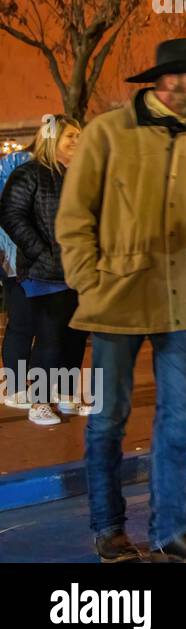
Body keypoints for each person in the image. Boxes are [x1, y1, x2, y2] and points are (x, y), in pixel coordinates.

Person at [56, 37, 186, 562]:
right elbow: (73, 218)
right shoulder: (106, 134)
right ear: (169, 82)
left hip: (185, 304)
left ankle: (171, 531)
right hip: (116, 299)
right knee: (109, 417)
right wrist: (89, 280)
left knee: (179, 420)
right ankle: (109, 528)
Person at [0, 116, 86, 426]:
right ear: (52, 140)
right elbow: (12, 215)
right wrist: (40, 252)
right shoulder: (28, 174)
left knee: (74, 336)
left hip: (79, 271)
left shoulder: (80, 176)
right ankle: (39, 402)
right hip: (44, 273)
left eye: (79, 136)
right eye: (70, 137)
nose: (77, 141)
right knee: (49, 337)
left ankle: (65, 393)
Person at [0, 141, 34, 408]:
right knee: (22, 323)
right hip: (15, 262)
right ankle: (14, 384)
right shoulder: (17, 167)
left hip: (35, 263)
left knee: (38, 325)